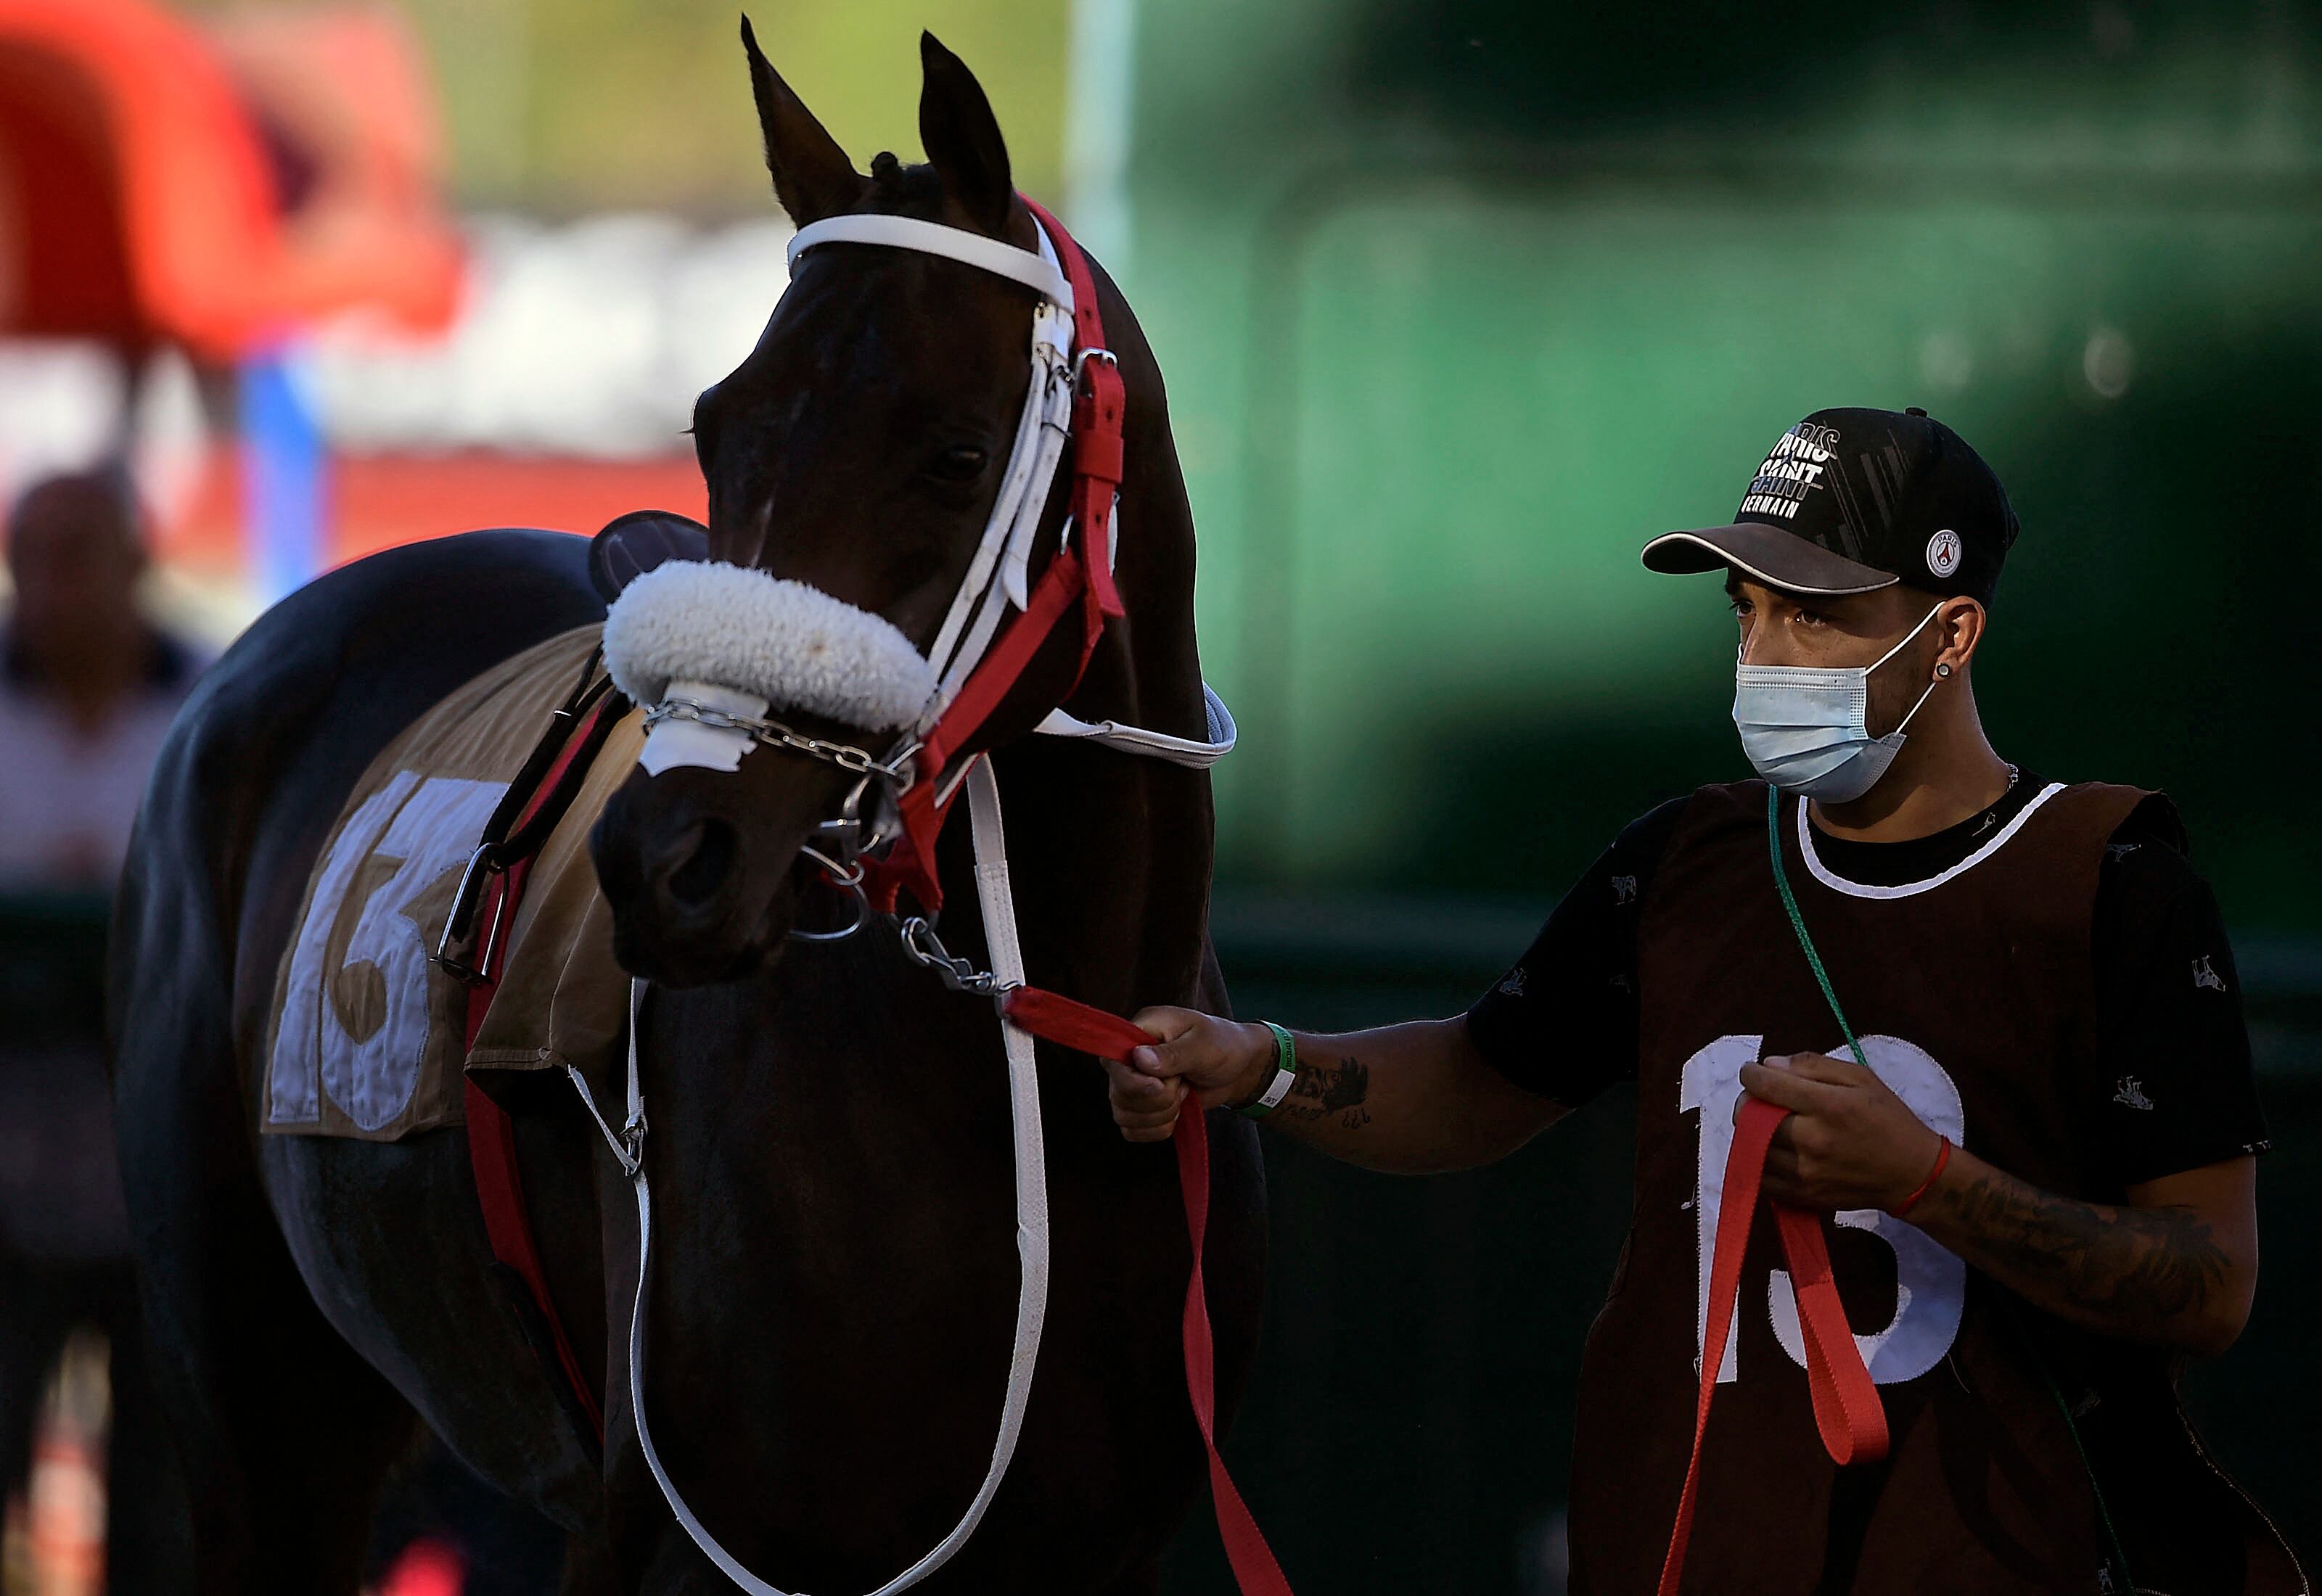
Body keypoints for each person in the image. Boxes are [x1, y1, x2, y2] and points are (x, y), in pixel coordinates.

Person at [1107, 409, 2300, 1594]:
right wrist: (1259, 1064)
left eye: (1817, 613)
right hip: (1684, 1552)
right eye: (1750, 609)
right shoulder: (1683, 861)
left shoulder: (2110, 879)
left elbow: (2209, 1285)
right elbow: (1479, 1082)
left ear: (1950, 634)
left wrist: (1929, 1182)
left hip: (1990, 1554)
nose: (1769, 651)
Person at [0, 471, 200, 1590]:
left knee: (162, 1519)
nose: (50, 584)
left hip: (164, 1195)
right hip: (10, 1188)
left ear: (137, 560)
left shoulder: (219, 708)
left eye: (78, 552)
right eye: (34, 553)